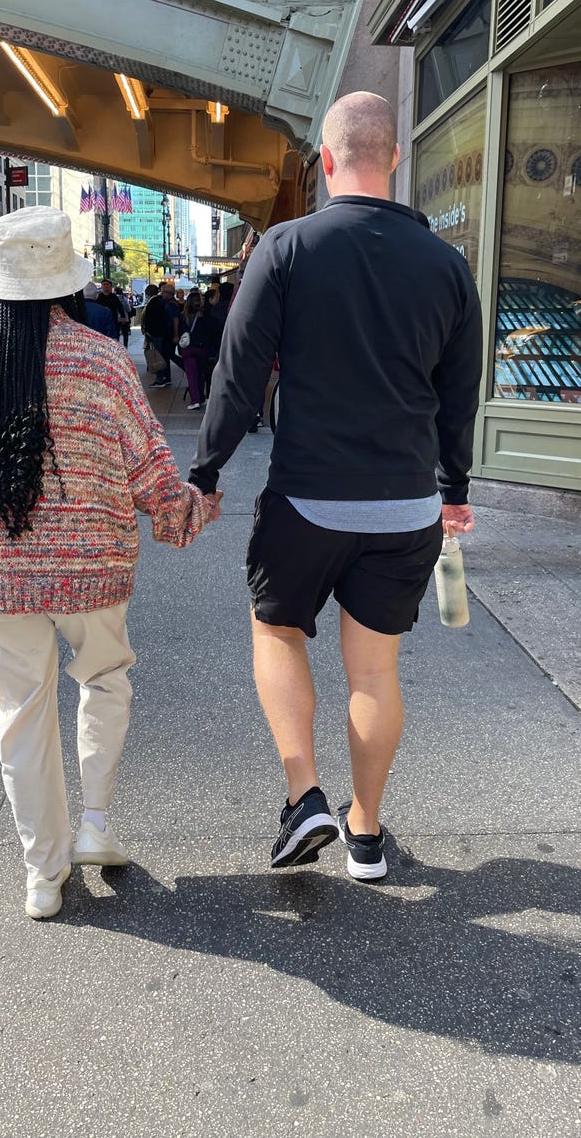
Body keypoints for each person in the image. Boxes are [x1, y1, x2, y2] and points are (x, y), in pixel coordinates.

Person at [189, 91, 482, 883]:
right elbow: (460, 397)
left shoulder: (286, 248)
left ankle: (303, 796)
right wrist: (453, 488)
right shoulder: (448, 267)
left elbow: (238, 373)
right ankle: (366, 833)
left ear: (325, 160)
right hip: (407, 505)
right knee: (374, 672)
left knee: (277, 631)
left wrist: (206, 472)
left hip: (308, 499)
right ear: (393, 158)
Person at [0, 206, 221, 920]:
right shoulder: (101, 358)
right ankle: (94, 821)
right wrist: (191, 507)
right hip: (94, 566)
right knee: (103, 680)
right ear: (67, 281)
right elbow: (151, 470)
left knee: (19, 713)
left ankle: (41, 871)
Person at [178, 289, 214, 411]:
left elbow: (180, 332)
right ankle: (202, 397)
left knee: (191, 375)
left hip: (189, 348)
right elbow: (210, 332)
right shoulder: (205, 315)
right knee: (201, 374)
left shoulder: (184, 316)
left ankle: (195, 400)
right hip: (203, 348)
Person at [140, 281, 179, 387]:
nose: (161, 293)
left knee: (161, 355)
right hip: (164, 333)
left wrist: (175, 334)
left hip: (160, 333)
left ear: (167, 293)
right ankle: (165, 377)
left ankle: (161, 378)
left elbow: (174, 319)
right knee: (165, 355)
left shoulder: (168, 304)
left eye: (162, 292)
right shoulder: (166, 303)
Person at [96, 279, 131, 347]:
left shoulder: (114, 297)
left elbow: (120, 307)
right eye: (104, 284)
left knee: (115, 338)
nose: (106, 286)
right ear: (102, 286)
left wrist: (123, 317)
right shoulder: (99, 297)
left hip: (114, 321)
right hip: (102, 321)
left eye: (107, 284)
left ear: (110, 286)